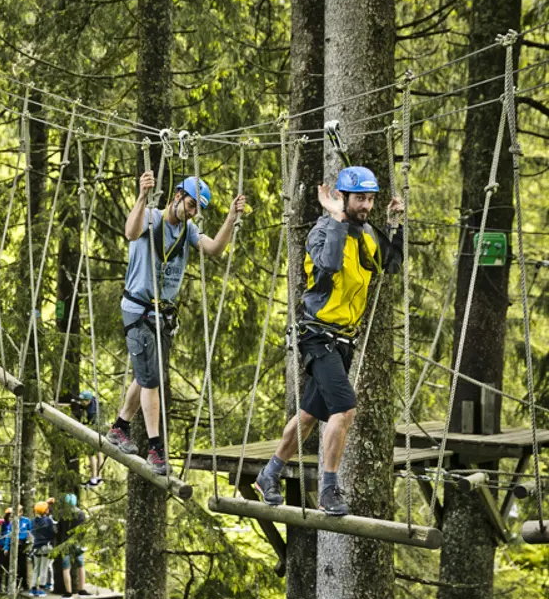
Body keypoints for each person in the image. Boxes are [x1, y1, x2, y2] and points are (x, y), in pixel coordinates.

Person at [254, 167, 405, 515]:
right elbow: (330, 265)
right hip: (317, 334)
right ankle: (328, 489)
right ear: (344, 198)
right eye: (360, 199)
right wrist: (336, 218)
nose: (366, 205)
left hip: (343, 341)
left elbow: (390, 265)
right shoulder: (322, 231)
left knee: (308, 415)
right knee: (345, 409)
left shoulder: (366, 233)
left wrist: (394, 226)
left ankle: (269, 474)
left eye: (370, 199)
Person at [106, 172, 246, 474]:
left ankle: (119, 427)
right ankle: (156, 449)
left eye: (197, 209)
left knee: (146, 374)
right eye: (191, 205)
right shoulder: (151, 218)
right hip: (138, 309)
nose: (192, 212)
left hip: (162, 314)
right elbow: (131, 233)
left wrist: (231, 220)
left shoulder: (188, 230)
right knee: (151, 379)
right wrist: (142, 197)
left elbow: (214, 250)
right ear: (178, 196)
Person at [56, 493, 90, 598]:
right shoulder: (81, 514)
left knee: (66, 568)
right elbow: (83, 530)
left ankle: (68, 592)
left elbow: (59, 530)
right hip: (77, 544)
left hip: (65, 544)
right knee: (81, 566)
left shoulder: (61, 514)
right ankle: (82, 590)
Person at [71, 390, 105, 487]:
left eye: (84, 401)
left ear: (89, 400)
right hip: (101, 431)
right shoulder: (94, 402)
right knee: (99, 454)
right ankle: (99, 478)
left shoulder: (92, 411)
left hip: (96, 431)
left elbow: (92, 423)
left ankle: (93, 479)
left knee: (92, 454)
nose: (82, 403)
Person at [29, 501, 56, 597]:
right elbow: (52, 533)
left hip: (36, 547)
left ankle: (33, 588)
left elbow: (32, 532)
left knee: (36, 568)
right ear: (45, 511)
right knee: (44, 568)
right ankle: (41, 589)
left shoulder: (33, 521)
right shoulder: (48, 521)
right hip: (45, 546)